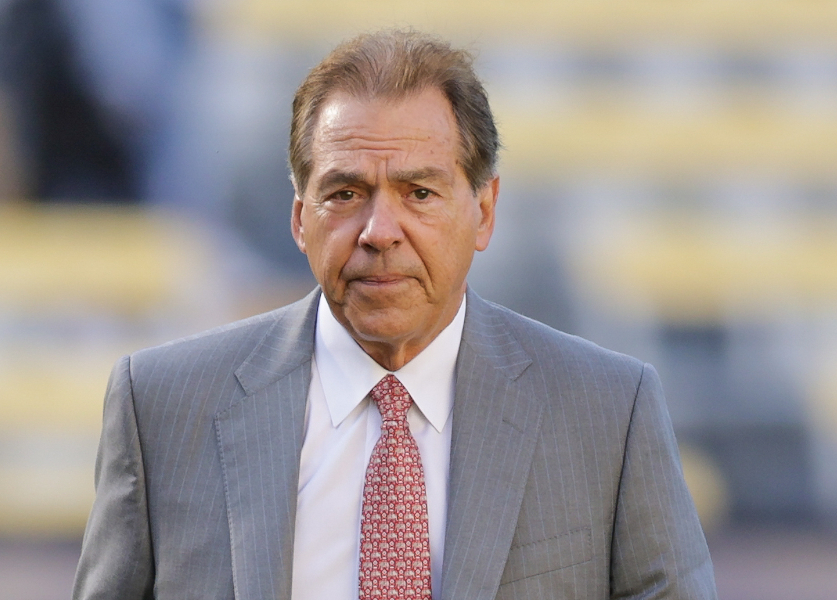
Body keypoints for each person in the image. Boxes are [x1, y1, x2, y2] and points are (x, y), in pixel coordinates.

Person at [73, 29, 717, 600]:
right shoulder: (160, 408)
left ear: (484, 211)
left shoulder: (606, 410)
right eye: (345, 193)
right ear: (300, 219)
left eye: (421, 192)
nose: (380, 230)